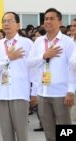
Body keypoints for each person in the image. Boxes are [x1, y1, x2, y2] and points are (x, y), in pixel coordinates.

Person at [28, 8, 75, 141]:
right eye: (46, 19)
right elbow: (29, 63)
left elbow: (73, 68)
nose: (47, 21)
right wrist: (44, 56)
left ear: (60, 22)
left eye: (51, 19)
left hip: (62, 94)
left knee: (66, 132)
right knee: (49, 133)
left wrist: (71, 91)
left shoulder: (67, 42)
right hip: (43, 94)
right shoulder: (38, 42)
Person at [0, 12, 35, 141]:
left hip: (20, 93)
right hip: (2, 94)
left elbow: (34, 70)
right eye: (4, 21)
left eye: (10, 21)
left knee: (22, 134)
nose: (6, 24)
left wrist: (34, 91)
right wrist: (8, 58)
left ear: (18, 25)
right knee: (6, 135)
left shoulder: (27, 43)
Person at [69, 18, 76, 124]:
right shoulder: (68, 42)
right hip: (69, 86)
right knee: (70, 118)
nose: (73, 28)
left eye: (75, 26)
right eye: (72, 26)